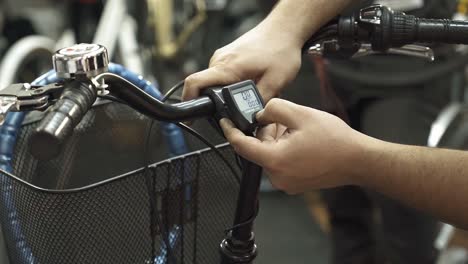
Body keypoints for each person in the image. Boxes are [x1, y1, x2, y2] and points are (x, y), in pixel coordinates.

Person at [182, 0, 468, 243]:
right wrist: (281, 29)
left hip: (412, 72)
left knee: (404, 220)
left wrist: (358, 160)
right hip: (337, 62)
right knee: (342, 210)